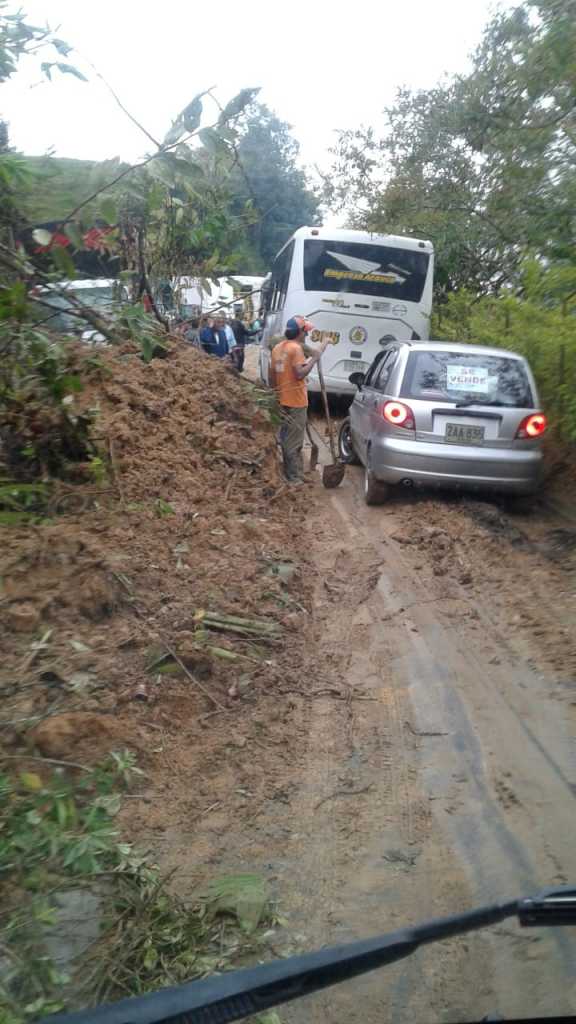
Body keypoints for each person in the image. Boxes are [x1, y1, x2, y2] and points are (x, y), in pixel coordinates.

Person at [269, 316, 328, 484]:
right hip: (296, 402)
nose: (307, 335)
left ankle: (297, 472)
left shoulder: (278, 348)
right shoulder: (296, 349)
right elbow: (300, 373)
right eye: (306, 332)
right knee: (292, 442)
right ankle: (293, 478)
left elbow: (271, 375)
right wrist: (314, 359)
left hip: (282, 400)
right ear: (300, 333)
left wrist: (277, 394)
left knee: (291, 438)